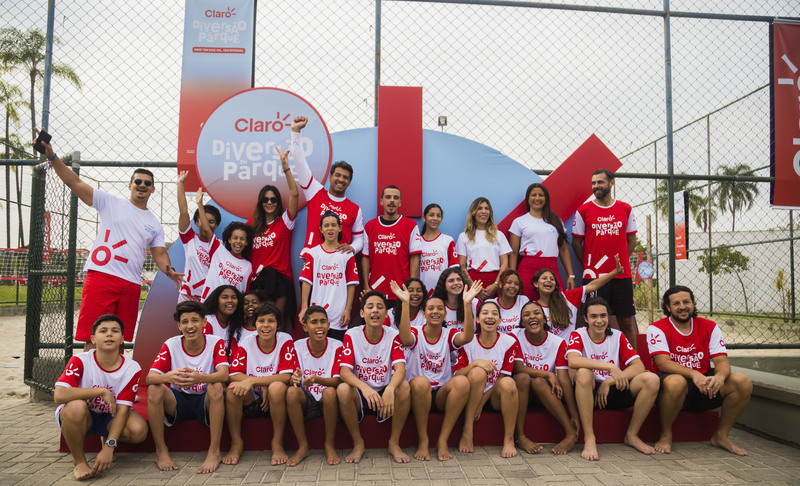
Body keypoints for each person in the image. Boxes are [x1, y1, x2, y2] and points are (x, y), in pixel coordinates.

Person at [38, 130, 183, 351]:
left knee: (119, 339)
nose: (142, 185)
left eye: (147, 183)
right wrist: (53, 157)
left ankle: (114, 383)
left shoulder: (154, 224)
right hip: (102, 277)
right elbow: (75, 182)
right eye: (138, 181)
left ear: (153, 189)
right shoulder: (109, 203)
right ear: (130, 184)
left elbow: (160, 253)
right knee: (94, 337)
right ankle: (90, 383)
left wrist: (168, 270)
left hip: (131, 284)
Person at [647, 286, 752, 456]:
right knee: (676, 381)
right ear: (667, 307)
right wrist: (694, 374)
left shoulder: (710, 326)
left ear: (693, 303)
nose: (682, 306)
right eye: (676, 303)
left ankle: (721, 435)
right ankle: (666, 434)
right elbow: (663, 363)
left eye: (686, 302)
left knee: (742, 381)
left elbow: (722, 361)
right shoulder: (657, 328)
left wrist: (719, 376)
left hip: (704, 386)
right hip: (672, 387)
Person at [394, 280, 482, 461]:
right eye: (431, 309)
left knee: (462, 381)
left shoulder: (448, 334)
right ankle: (423, 440)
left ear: (445, 314)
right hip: (418, 393)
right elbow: (404, 337)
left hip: (442, 394)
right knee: (420, 381)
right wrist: (404, 303)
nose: (435, 312)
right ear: (424, 313)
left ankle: (443, 440)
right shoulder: (416, 332)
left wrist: (467, 305)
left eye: (440, 309)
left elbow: (467, 337)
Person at [54, 314, 147, 480]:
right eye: (103, 331)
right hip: (82, 416)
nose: (109, 334)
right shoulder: (79, 360)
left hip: (109, 416)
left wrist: (109, 447)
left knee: (138, 430)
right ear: (93, 339)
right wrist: (101, 391)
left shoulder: (132, 368)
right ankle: (79, 461)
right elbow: (59, 395)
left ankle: (106, 439)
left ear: (122, 340)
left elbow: (123, 410)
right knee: (76, 406)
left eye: (115, 331)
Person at [566, 297, 660, 461]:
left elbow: (638, 366)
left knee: (651, 379)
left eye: (603, 316)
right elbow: (573, 360)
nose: (599, 321)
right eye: (594, 316)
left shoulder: (617, 335)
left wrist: (609, 381)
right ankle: (590, 438)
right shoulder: (578, 334)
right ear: (586, 319)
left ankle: (632, 435)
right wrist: (609, 367)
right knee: (583, 372)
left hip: (614, 389)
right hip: (589, 392)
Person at [146, 301, 229, 474]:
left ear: (204, 323)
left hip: (203, 400)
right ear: (179, 325)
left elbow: (224, 374)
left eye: (194, 321)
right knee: (155, 388)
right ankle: (161, 451)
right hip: (178, 399)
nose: (190, 326)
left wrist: (199, 378)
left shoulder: (215, 342)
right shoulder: (171, 344)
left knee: (217, 387)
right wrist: (168, 377)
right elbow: (149, 378)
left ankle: (214, 451)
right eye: (184, 322)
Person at [337, 290, 411, 464]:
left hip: (385, 394)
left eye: (380, 307)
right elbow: (344, 372)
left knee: (405, 386)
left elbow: (400, 369)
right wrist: (364, 388)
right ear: (362, 313)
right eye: (370, 307)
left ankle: (394, 443)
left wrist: (391, 389)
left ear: (386, 313)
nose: (375, 311)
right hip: (362, 394)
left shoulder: (393, 334)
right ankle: (358, 443)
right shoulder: (352, 334)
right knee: (342, 389)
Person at [223, 303, 297, 466]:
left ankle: (277, 443)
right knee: (232, 390)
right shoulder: (247, 342)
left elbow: (286, 376)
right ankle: (236, 443)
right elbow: (233, 374)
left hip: (276, 400)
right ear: (254, 324)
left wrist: (255, 381)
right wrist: (258, 384)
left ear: (278, 324)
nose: (266, 325)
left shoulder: (285, 339)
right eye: (261, 321)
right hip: (253, 401)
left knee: (276, 387)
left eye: (271, 321)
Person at [571, 168, 638, 348]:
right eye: (593, 183)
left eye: (600, 182)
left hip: (621, 276)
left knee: (626, 322)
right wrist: (587, 265)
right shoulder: (584, 210)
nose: (596, 186)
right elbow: (576, 243)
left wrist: (621, 259)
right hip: (594, 277)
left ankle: (634, 364)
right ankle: (594, 363)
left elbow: (632, 239)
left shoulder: (625, 208)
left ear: (611, 182)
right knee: (593, 322)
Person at [453, 301, 521, 458]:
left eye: (494, 314)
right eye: (484, 313)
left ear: (500, 320)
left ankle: (509, 439)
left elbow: (503, 376)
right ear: (477, 319)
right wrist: (475, 363)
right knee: (478, 372)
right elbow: (458, 375)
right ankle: (467, 430)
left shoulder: (509, 341)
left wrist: (481, 403)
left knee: (509, 383)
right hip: (470, 394)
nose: (489, 317)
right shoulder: (468, 342)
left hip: (493, 395)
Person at [512, 301, 579, 455]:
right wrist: (548, 373)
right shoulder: (515, 336)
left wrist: (573, 414)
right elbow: (518, 368)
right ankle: (520, 436)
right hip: (522, 394)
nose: (532, 317)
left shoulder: (558, 342)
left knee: (539, 383)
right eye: (526, 315)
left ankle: (570, 434)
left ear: (544, 319)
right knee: (522, 377)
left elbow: (563, 378)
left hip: (545, 393)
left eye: (536, 313)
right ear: (522, 322)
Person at [291, 115, 364, 253]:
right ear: (330, 177)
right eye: (337, 175)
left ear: (349, 182)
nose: (341, 179)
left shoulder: (355, 209)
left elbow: (359, 239)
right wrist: (295, 132)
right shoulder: (315, 192)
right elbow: (300, 162)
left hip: (339, 264)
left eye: (345, 177)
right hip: (312, 261)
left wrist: (353, 248)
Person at [286, 306, 344, 466]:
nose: (319, 326)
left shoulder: (337, 345)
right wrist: (295, 379)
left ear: (329, 325)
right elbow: (293, 378)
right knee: (291, 392)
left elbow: (338, 381)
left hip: (329, 400)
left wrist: (317, 379)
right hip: (308, 399)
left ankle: (329, 444)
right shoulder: (297, 346)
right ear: (305, 326)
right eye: (314, 322)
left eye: (323, 322)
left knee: (330, 392)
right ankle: (303, 446)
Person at [247, 145, 298, 323]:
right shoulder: (250, 226)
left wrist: (285, 167)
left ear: (278, 202)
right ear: (260, 202)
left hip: (281, 278)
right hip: (258, 280)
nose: (270, 202)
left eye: (273, 199)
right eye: (266, 199)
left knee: (278, 317)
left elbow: (294, 193)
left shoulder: (285, 222)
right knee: (259, 319)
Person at [299, 211, 360, 341]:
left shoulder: (347, 255)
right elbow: (306, 281)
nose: (330, 228)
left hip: (339, 315)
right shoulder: (313, 253)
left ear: (340, 228)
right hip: (316, 313)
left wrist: (348, 309)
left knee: (337, 349)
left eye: (333, 225)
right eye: (326, 225)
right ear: (321, 229)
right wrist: (304, 307)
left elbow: (351, 284)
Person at [509, 183, 576, 300]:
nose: (537, 198)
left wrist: (571, 275)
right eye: (533, 195)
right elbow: (513, 253)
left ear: (546, 199)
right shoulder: (519, 222)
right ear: (528, 198)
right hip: (527, 268)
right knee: (525, 304)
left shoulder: (556, 221)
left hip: (551, 269)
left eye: (541, 195)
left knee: (556, 304)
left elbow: (564, 250)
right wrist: (513, 276)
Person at [534, 254, 624, 340]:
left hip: (570, 352)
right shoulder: (532, 307)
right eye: (544, 278)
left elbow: (592, 286)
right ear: (536, 283)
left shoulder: (568, 297)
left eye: (552, 279)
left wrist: (615, 272)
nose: (548, 281)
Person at [361, 185, 421, 298]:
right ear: (381, 201)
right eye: (388, 197)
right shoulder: (370, 226)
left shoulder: (410, 226)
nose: (392, 200)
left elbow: (414, 257)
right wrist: (365, 285)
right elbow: (365, 257)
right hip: (375, 289)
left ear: (400, 202)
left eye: (395, 198)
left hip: (401, 290)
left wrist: (411, 285)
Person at [176, 172, 221, 302]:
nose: (207, 224)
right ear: (196, 223)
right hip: (187, 296)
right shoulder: (189, 239)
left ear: (216, 225)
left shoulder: (221, 245)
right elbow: (183, 212)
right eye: (203, 220)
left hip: (210, 298)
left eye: (211, 222)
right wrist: (180, 185)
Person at [457, 197, 511, 300]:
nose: (484, 211)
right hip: (473, 282)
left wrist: (495, 285)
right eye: (480, 208)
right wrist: (474, 288)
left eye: (487, 208)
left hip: (496, 281)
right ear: (473, 212)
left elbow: (504, 264)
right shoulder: (464, 236)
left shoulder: (499, 235)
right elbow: (462, 266)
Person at [199, 216, 254, 300]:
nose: (238, 241)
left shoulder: (248, 266)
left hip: (231, 308)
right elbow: (207, 229)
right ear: (229, 240)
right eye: (235, 238)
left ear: (246, 243)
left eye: (242, 239)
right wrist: (199, 204)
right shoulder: (219, 250)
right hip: (209, 303)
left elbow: (245, 291)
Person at [417, 203, 459, 296]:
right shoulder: (417, 242)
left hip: (443, 292)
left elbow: (454, 268)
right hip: (422, 293)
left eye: (438, 216)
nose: (435, 218)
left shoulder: (448, 240)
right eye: (431, 215)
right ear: (424, 218)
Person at [201, 285, 245, 358]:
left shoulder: (234, 322)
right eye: (225, 297)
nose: (230, 300)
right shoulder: (207, 322)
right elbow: (205, 355)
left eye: (234, 297)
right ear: (216, 300)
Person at [482, 269, 528, 334]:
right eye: (509, 282)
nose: (513, 286)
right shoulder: (490, 304)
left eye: (516, 284)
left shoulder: (523, 300)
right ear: (500, 284)